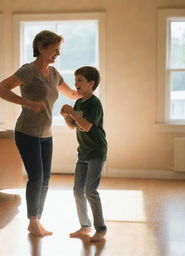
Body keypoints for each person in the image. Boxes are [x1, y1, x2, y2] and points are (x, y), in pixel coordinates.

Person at [0, 30, 80, 237]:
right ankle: (33, 222)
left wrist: (90, 87)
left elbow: (73, 93)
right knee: (36, 177)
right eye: (55, 48)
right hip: (27, 132)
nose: (58, 53)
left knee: (45, 179)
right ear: (41, 47)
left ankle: (37, 220)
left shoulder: (55, 74)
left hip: (46, 134)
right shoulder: (28, 71)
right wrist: (27, 102)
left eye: (59, 49)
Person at [60, 66, 107, 242]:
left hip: (96, 151)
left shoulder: (95, 103)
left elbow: (87, 126)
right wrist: (67, 117)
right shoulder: (79, 103)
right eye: (75, 79)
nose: (75, 83)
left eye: (80, 80)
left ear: (91, 83)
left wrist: (71, 113)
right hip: (83, 153)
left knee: (90, 191)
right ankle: (85, 226)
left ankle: (100, 229)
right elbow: (74, 126)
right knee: (77, 190)